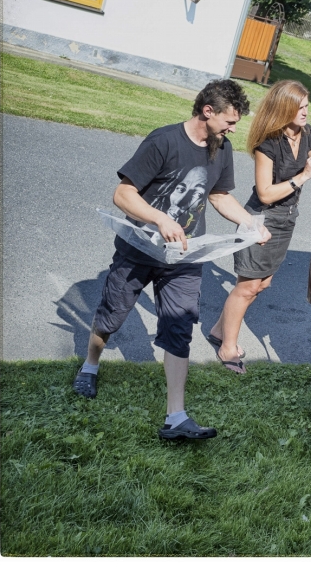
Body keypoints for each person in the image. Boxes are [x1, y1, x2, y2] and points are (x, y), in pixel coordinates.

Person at [73, 79, 271, 440]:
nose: (232, 129)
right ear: (207, 112)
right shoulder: (163, 141)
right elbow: (123, 194)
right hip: (140, 248)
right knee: (113, 314)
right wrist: (160, 219)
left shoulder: (221, 148)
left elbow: (219, 195)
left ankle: (176, 418)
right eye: (229, 121)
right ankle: (90, 365)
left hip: (184, 255)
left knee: (179, 327)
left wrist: (250, 223)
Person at [207, 80, 311, 372]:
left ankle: (218, 330)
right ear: (284, 108)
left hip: (287, 219)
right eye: (299, 107)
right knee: (248, 286)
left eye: (307, 106)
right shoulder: (268, 143)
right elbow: (264, 193)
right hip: (261, 217)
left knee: (262, 283)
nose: (305, 112)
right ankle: (227, 348)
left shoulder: (309, 134)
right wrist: (302, 176)